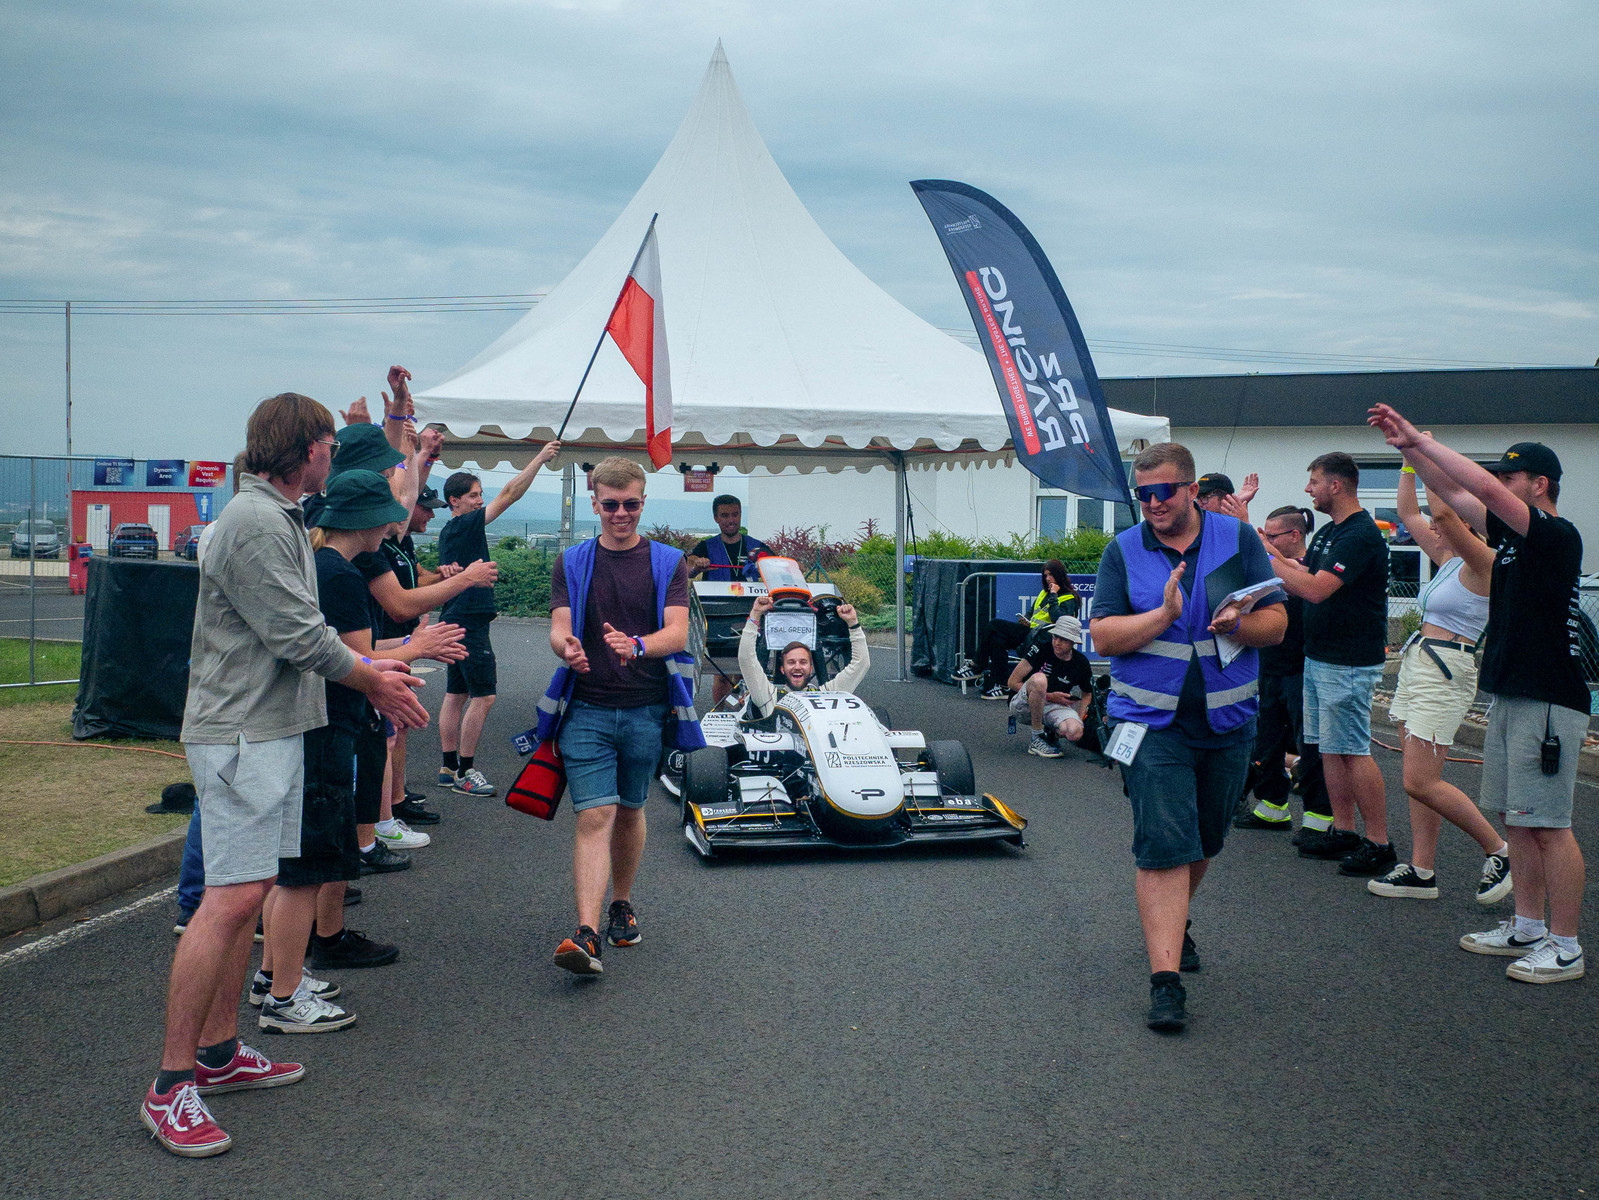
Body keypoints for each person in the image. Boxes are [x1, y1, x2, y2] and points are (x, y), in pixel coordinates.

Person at [142, 393, 428, 1158]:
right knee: (229, 901)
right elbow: (300, 635)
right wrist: (375, 678)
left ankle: (217, 1052)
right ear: (307, 449)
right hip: (243, 736)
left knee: (247, 896)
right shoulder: (258, 522)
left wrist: (373, 675)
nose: (334, 455)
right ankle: (170, 1086)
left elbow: (301, 636)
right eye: (329, 443)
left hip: (268, 731)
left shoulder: (277, 517)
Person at [1369, 410, 1587, 984]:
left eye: (1511, 479)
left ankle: (1566, 945)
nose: (1499, 486)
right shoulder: (1511, 543)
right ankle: (1527, 927)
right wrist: (1413, 454)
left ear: (1538, 485)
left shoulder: (1555, 535)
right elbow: (1455, 497)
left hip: (1548, 697)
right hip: (1512, 692)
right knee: (1518, 819)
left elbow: (1480, 490)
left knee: (1548, 824)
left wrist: (1419, 441)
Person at [257, 471, 468, 1030]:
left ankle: (272, 975)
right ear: (368, 521)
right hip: (328, 725)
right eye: (387, 514)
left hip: (311, 721)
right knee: (306, 871)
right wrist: (416, 646)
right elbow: (357, 661)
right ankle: (284, 997)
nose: (395, 523)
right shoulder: (341, 575)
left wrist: (409, 648)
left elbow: (349, 651)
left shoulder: (317, 563)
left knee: (294, 869)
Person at [1090, 443, 1286, 1034]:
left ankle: (1174, 923)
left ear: (1192, 490)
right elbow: (1103, 636)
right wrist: (1163, 615)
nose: (1152, 503)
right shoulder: (1124, 549)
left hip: (1228, 723)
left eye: (1164, 492)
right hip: (1148, 725)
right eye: (1143, 494)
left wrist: (1240, 623)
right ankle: (1165, 983)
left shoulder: (1238, 540)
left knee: (1203, 840)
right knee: (1165, 844)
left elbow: (1277, 624)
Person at [542, 456, 703, 976]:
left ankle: (621, 902)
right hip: (585, 708)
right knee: (595, 815)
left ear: (643, 502)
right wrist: (566, 647)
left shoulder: (668, 562)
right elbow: (559, 625)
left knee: (631, 810)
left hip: (646, 709)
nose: (620, 514)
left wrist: (637, 645)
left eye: (630, 504)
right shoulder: (572, 562)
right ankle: (586, 933)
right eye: (610, 504)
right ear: (594, 503)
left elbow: (676, 633)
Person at [1367, 460, 1511, 903]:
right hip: (1420, 663)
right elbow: (1409, 513)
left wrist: (1425, 456)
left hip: (1446, 669)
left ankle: (1500, 851)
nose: (1431, 524)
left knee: (1420, 781)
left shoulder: (1484, 561)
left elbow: (1443, 514)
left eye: (1444, 520)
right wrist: (1408, 463)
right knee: (1419, 778)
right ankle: (1422, 870)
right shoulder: (1449, 558)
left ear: (1468, 523)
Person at [1264, 453, 1393, 876]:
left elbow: (1316, 589)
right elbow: (1296, 569)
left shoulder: (1359, 534)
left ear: (1336, 485)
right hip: (1319, 657)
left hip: (1348, 661)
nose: (1308, 489)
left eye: (1314, 481)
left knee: (1352, 751)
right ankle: (1345, 830)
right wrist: (1262, 546)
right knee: (1328, 749)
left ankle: (1379, 843)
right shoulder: (1329, 533)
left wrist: (1267, 560)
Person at [435, 440, 561, 796]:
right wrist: (540, 458)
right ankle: (466, 771)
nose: (480, 501)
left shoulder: (448, 531)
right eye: (473, 495)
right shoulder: (464, 525)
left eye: (480, 495)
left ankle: (448, 766)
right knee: (484, 696)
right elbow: (509, 494)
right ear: (454, 501)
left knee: (456, 693)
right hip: (469, 620)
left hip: (453, 616)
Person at [1233, 506, 1334, 836]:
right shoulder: (1271, 565)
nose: (1267, 540)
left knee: (1310, 745)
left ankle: (1318, 818)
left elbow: (1293, 575)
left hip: (1301, 669)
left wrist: (1256, 538)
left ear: (1294, 535)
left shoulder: (1309, 568)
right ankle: (1272, 807)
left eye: (1272, 535)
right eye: (1263, 533)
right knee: (1267, 742)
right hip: (1270, 666)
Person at [740, 592, 869, 716]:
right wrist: (755, 614)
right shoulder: (768, 696)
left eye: (803, 662)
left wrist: (853, 623)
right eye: (791, 662)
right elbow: (746, 659)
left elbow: (861, 664)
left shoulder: (827, 694)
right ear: (782, 669)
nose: (797, 667)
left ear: (811, 668)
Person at [971, 560, 1079, 700]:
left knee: (994, 625)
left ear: (1059, 575)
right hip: (1030, 632)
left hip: (1044, 638)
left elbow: (1058, 619)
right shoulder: (1043, 593)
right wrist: (1026, 619)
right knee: (997, 638)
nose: (1048, 579)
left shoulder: (1069, 598)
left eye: (1051, 575)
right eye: (1045, 575)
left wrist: (1053, 595)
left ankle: (977, 665)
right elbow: (1031, 612)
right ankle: (1003, 684)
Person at [1005, 615, 1093, 758]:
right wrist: (1050, 696)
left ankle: (1051, 734)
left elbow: (1087, 693)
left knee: (1075, 732)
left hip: (1054, 706)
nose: (1057, 642)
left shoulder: (1081, 662)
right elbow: (1012, 682)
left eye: (1063, 639)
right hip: (1023, 703)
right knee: (1040, 679)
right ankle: (1037, 737)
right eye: (1055, 637)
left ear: (1073, 641)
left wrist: (1080, 718)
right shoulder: (1041, 648)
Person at [686, 494, 769, 581]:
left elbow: (775, 570)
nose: (731, 520)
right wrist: (696, 567)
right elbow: (688, 569)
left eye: (735, 515)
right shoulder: (706, 546)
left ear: (740, 515)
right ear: (716, 518)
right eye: (725, 516)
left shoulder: (757, 546)